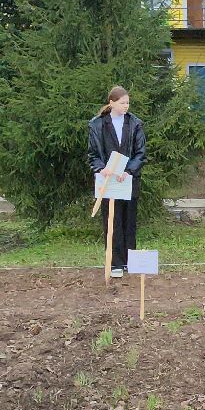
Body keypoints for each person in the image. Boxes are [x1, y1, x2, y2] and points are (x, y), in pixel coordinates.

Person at [87, 86, 147, 278]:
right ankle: (115, 264)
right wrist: (101, 168)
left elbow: (140, 153)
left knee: (129, 222)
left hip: (128, 180)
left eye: (128, 103)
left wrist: (129, 171)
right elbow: (93, 155)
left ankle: (131, 263)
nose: (126, 106)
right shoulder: (97, 125)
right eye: (122, 103)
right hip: (108, 181)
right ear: (111, 103)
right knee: (112, 221)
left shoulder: (135, 124)